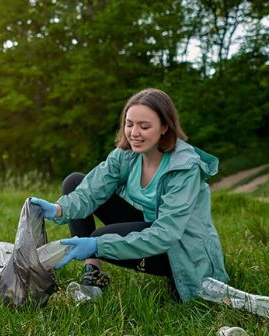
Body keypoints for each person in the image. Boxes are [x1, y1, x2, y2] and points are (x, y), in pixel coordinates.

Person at [30, 88, 229, 301]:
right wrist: (59, 209)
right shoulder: (126, 155)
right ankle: (93, 273)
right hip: (150, 225)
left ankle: (96, 249)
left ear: (164, 127)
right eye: (129, 123)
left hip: (178, 247)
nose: (134, 133)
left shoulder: (184, 168)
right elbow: (90, 191)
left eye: (144, 126)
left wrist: (99, 246)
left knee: (98, 238)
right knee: (75, 182)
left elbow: (166, 234)